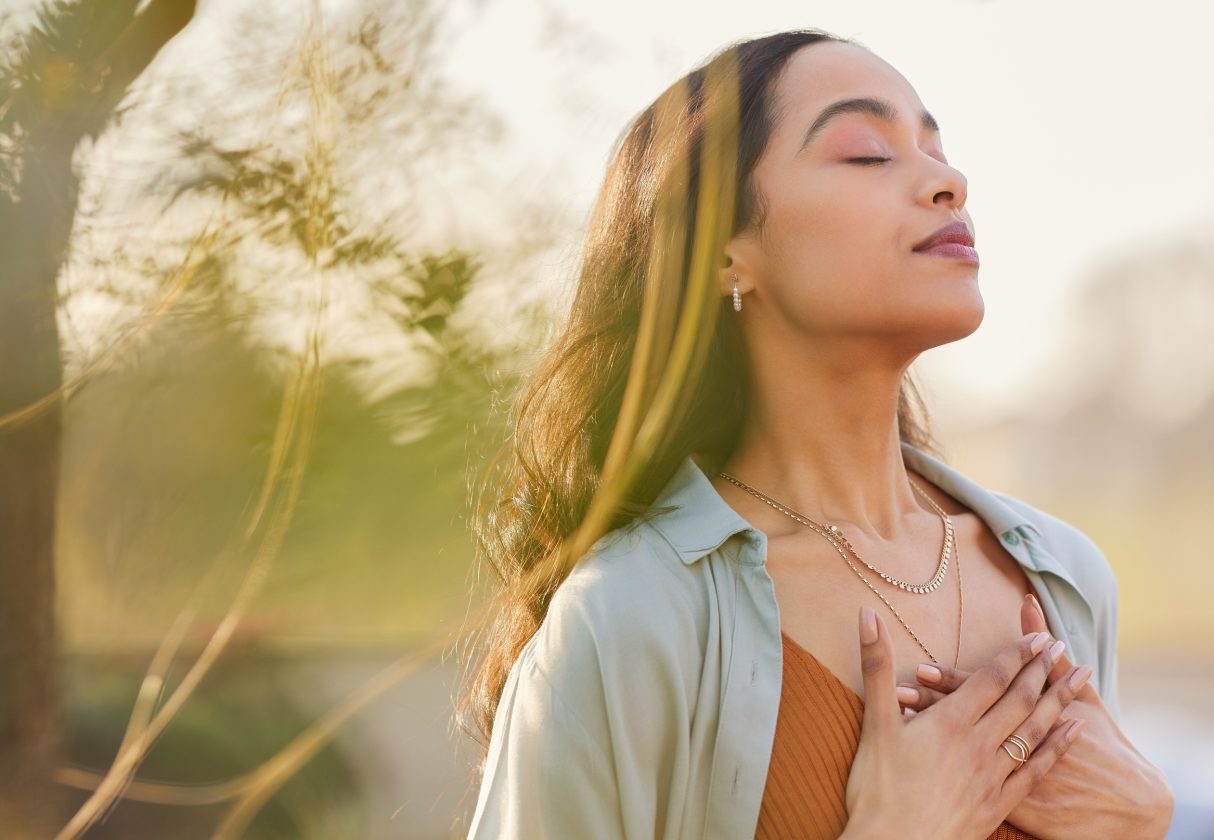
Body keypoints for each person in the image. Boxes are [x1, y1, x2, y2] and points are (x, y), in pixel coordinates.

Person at [459, 27, 1174, 839]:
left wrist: (1145, 821)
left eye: (936, 147)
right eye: (868, 152)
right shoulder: (632, 619)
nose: (948, 180)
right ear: (727, 254)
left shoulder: (1066, 578)